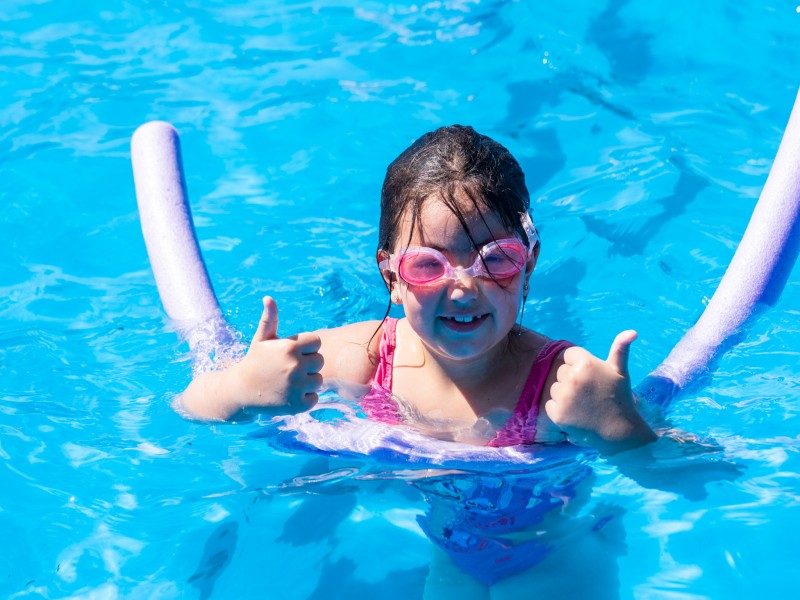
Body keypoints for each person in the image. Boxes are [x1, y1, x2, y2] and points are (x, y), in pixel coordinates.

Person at [178, 125, 656, 455]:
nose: (465, 288)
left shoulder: (564, 386)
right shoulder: (360, 360)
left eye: (497, 260)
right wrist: (241, 387)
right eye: (428, 265)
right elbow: (188, 406)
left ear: (528, 265)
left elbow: (697, 474)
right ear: (392, 277)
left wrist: (621, 429)